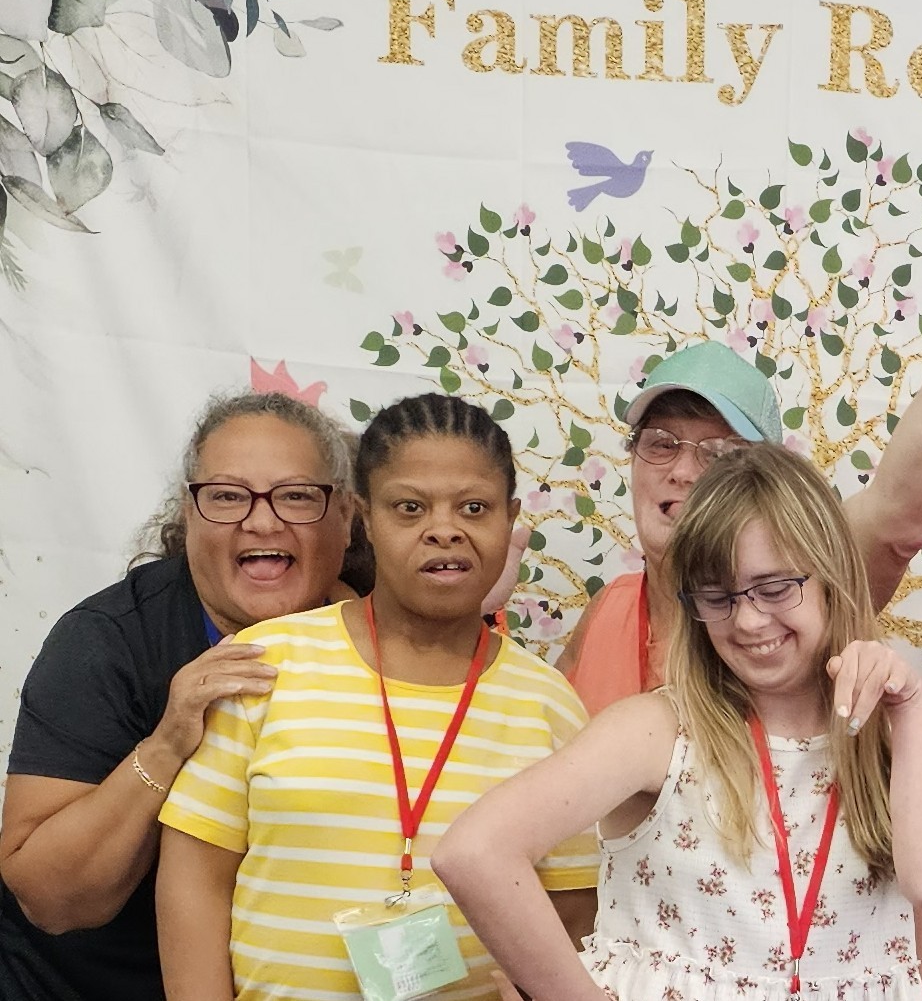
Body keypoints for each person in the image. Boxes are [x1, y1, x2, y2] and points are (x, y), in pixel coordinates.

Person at [437, 443, 922, 998]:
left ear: (832, 579)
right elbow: (473, 853)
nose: (746, 620)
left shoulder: (919, 743)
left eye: (773, 588)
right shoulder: (658, 732)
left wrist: (908, 712)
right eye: (716, 596)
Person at [156, 394, 599, 1001]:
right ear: (365, 518)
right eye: (410, 507)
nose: (444, 529)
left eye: (474, 507)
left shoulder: (551, 707)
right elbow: (195, 878)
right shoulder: (265, 663)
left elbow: (570, 908)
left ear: (511, 516)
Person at [559, 200, 922, 715]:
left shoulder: (807, 582)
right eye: (661, 443)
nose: (682, 472)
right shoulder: (607, 610)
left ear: (763, 479)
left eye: (718, 452)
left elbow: (896, 513)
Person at [0, 392, 356, 1001]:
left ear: (347, 517)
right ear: (187, 515)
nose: (262, 521)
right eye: (226, 496)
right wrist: (166, 747)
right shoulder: (108, 642)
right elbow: (49, 901)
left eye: (296, 496)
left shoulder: (378, 634)